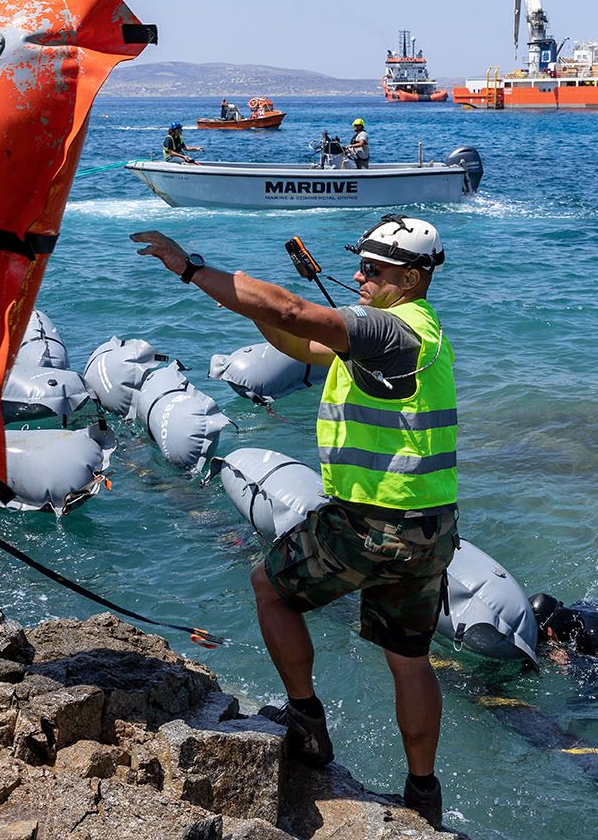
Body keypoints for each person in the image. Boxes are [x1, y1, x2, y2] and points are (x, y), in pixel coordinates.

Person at [130, 214, 458, 827]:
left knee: (269, 587)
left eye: (374, 269)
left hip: (371, 522)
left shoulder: (398, 329)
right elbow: (294, 337)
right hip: (428, 528)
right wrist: (263, 311)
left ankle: (306, 721)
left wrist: (191, 268)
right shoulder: (402, 337)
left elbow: (293, 310)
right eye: (358, 264)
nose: (359, 275)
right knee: (409, 659)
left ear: (412, 278)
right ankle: (423, 794)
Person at [529, 592, 598, 666]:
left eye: (541, 637)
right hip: (587, 606)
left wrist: (569, 663)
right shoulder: (569, 621)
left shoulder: (593, 633)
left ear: (550, 631)